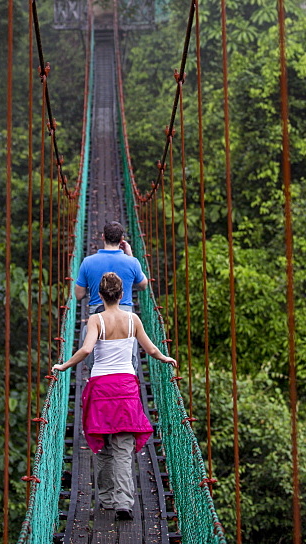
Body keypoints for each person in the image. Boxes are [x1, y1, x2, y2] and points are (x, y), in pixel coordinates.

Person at [53, 272, 176, 521]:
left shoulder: (95, 320)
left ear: (99, 294)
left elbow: (87, 349)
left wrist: (65, 365)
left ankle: (107, 498)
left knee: (103, 444)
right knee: (123, 448)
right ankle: (124, 502)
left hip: (100, 389)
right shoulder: (133, 320)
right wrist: (164, 358)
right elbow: (150, 348)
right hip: (126, 389)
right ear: (122, 294)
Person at [75, 220, 148, 311]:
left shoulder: (87, 262)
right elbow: (143, 285)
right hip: (124, 317)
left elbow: (79, 295)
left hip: (98, 315)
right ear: (122, 239)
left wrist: (92, 287)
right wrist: (130, 255)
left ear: (103, 237)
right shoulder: (132, 262)